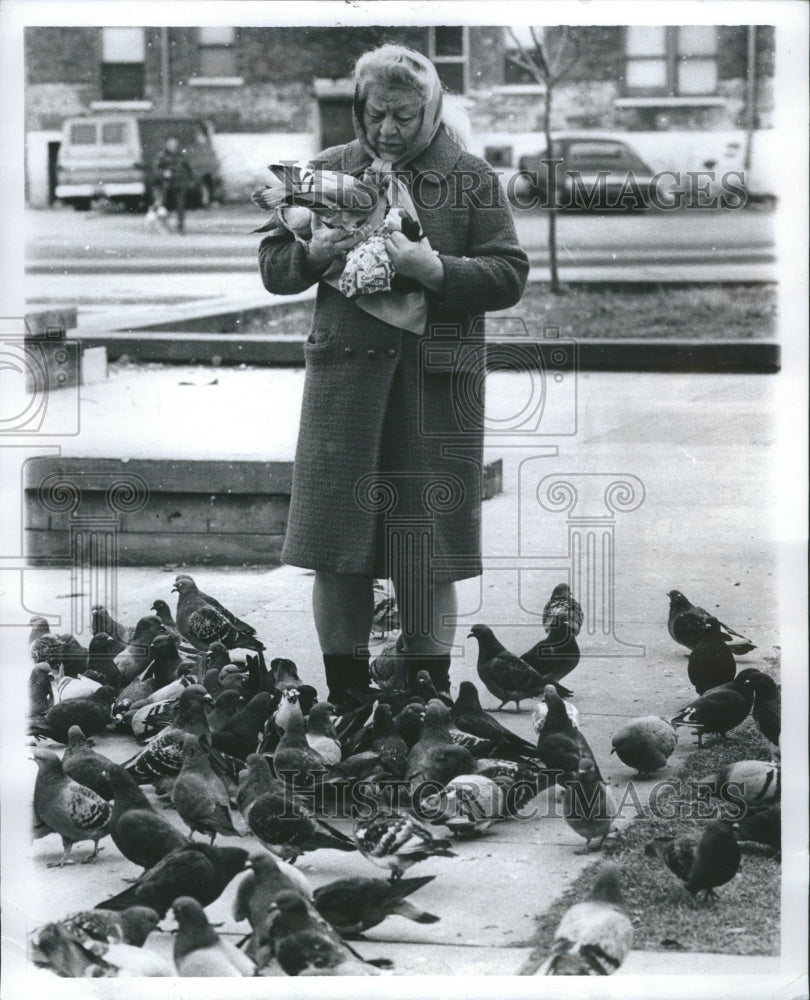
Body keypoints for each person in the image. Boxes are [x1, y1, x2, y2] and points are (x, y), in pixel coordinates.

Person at [258, 44, 529, 710]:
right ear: (359, 107)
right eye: (376, 114)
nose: (387, 130)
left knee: (427, 551)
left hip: (434, 390)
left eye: (405, 116)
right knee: (337, 548)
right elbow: (272, 265)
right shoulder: (324, 173)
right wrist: (312, 253)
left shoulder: (470, 178)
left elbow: (510, 274)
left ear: (432, 109)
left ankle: (429, 697)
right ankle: (350, 697)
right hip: (343, 388)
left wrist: (433, 269)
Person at [152, 137, 192, 233]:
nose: (174, 147)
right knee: (164, 207)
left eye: (175, 145)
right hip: (166, 185)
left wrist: (189, 180)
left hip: (179, 184)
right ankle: (163, 225)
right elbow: (156, 170)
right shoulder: (162, 156)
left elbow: (188, 169)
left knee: (180, 206)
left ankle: (180, 226)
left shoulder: (182, 155)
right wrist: (163, 173)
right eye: (171, 145)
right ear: (167, 145)